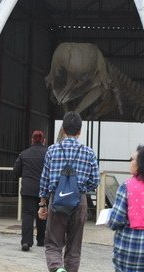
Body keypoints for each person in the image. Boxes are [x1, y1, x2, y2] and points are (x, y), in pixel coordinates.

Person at [38, 111, 100, 272]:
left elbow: (45, 179)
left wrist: (43, 204)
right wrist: (82, 188)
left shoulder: (52, 150)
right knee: (74, 246)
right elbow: (95, 181)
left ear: (63, 130)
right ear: (80, 131)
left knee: (53, 243)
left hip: (56, 200)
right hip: (79, 201)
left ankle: (57, 269)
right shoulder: (89, 153)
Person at [14, 130, 48, 251]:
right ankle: (41, 240)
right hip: (44, 189)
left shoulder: (24, 154)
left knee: (28, 215)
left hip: (28, 189)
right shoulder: (48, 154)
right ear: (43, 140)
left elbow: (16, 172)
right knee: (42, 214)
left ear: (32, 140)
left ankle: (26, 242)